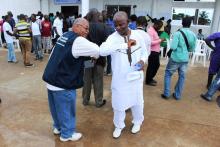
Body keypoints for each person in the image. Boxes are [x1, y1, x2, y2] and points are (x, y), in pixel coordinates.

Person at [42, 18, 100, 142]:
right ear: (77, 26)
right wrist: (94, 55)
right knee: (67, 109)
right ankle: (67, 134)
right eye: (86, 28)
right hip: (63, 82)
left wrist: (89, 61)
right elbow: (96, 50)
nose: (87, 32)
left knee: (56, 108)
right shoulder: (78, 40)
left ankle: (58, 127)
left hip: (51, 79)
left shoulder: (65, 35)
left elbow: (59, 55)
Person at [99, 11, 149, 138]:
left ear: (128, 22)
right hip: (120, 79)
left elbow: (144, 52)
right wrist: (123, 45)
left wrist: (143, 61)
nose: (118, 28)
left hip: (136, 76)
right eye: (115, 25)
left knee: (138, 102)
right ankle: (119, 126)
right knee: (118, 104)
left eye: (121, 24)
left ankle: (137, 122)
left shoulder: (138, 35)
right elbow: (102, 51)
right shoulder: (112, 38)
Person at [161, 17, 197, 100]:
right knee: (182, 77)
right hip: (185, 59)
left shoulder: (177, 33)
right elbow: (192, 49)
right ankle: (177, 95)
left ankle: (166, 94)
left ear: (182, 23)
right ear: (190, 24)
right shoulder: (193, 35)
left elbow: (173, 46)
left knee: (168, 74)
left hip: (175, 58)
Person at [82, 9, 111, 107]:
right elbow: (107, 43)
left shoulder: (85, 26)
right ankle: (98, 102)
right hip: (100, 58)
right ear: (98, 16)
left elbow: (82, 42)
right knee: (98, 79)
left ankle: (85, 100)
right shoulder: (104, 26)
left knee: (87, 79)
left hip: (88, 58)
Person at [145, 20, 164, 86]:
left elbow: (154, 40)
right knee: (151, 66)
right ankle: (148, 80)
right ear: (155, 25)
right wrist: (160, 40)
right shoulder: (150, 31)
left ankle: (150, 78)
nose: (160, 28)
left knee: (156, 65)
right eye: (159, 26)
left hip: (155, 51)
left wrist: (159, 39)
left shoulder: (154, 30)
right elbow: (150, 42)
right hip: (152, 51)